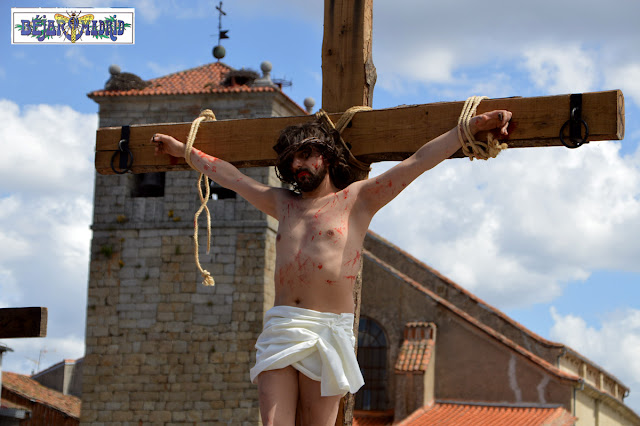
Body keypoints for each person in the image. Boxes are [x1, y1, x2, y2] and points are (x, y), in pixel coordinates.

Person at [152, 108, 512, 425]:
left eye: (306, 155)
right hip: (281, 325)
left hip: (327, 330)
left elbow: (417, 162)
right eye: (292, 159)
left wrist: (469, 129)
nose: (298, 165)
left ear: (325, 156)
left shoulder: (358, 200)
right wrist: (184, 151)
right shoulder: (282, 203)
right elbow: (231, 177)